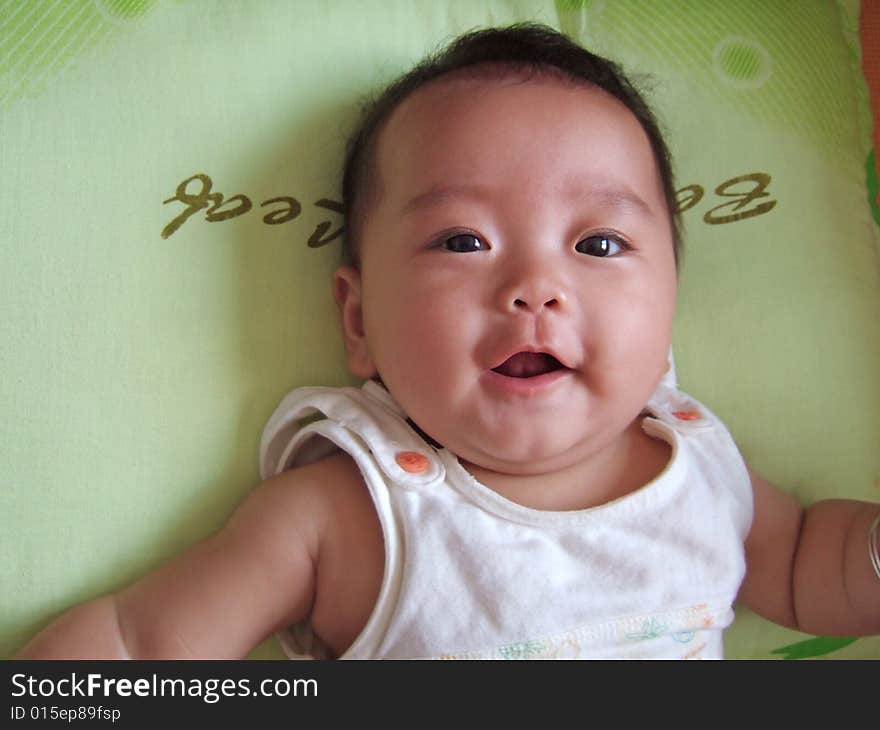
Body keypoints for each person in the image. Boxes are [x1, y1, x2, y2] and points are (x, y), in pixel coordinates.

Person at [16, 24, 880, 660]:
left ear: (668, 311)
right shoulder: (350, 513)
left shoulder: (702, 469)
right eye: (463, 241)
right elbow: (137, 646)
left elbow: (809, 564)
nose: (535, 288)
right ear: (359, 321)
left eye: (600, 245)